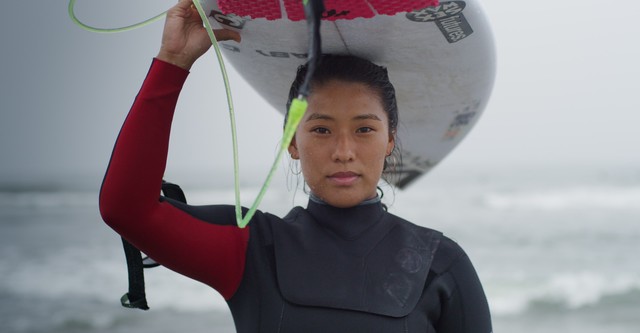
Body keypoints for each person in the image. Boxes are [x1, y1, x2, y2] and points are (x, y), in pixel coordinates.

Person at [99, 0, 492, 332]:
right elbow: (126, 210)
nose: (343, 151)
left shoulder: (440, 265)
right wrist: (173, 61)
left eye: (364, 129)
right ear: (292, 143)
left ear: (390, 140)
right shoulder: (254, 250)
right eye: (321, 129)